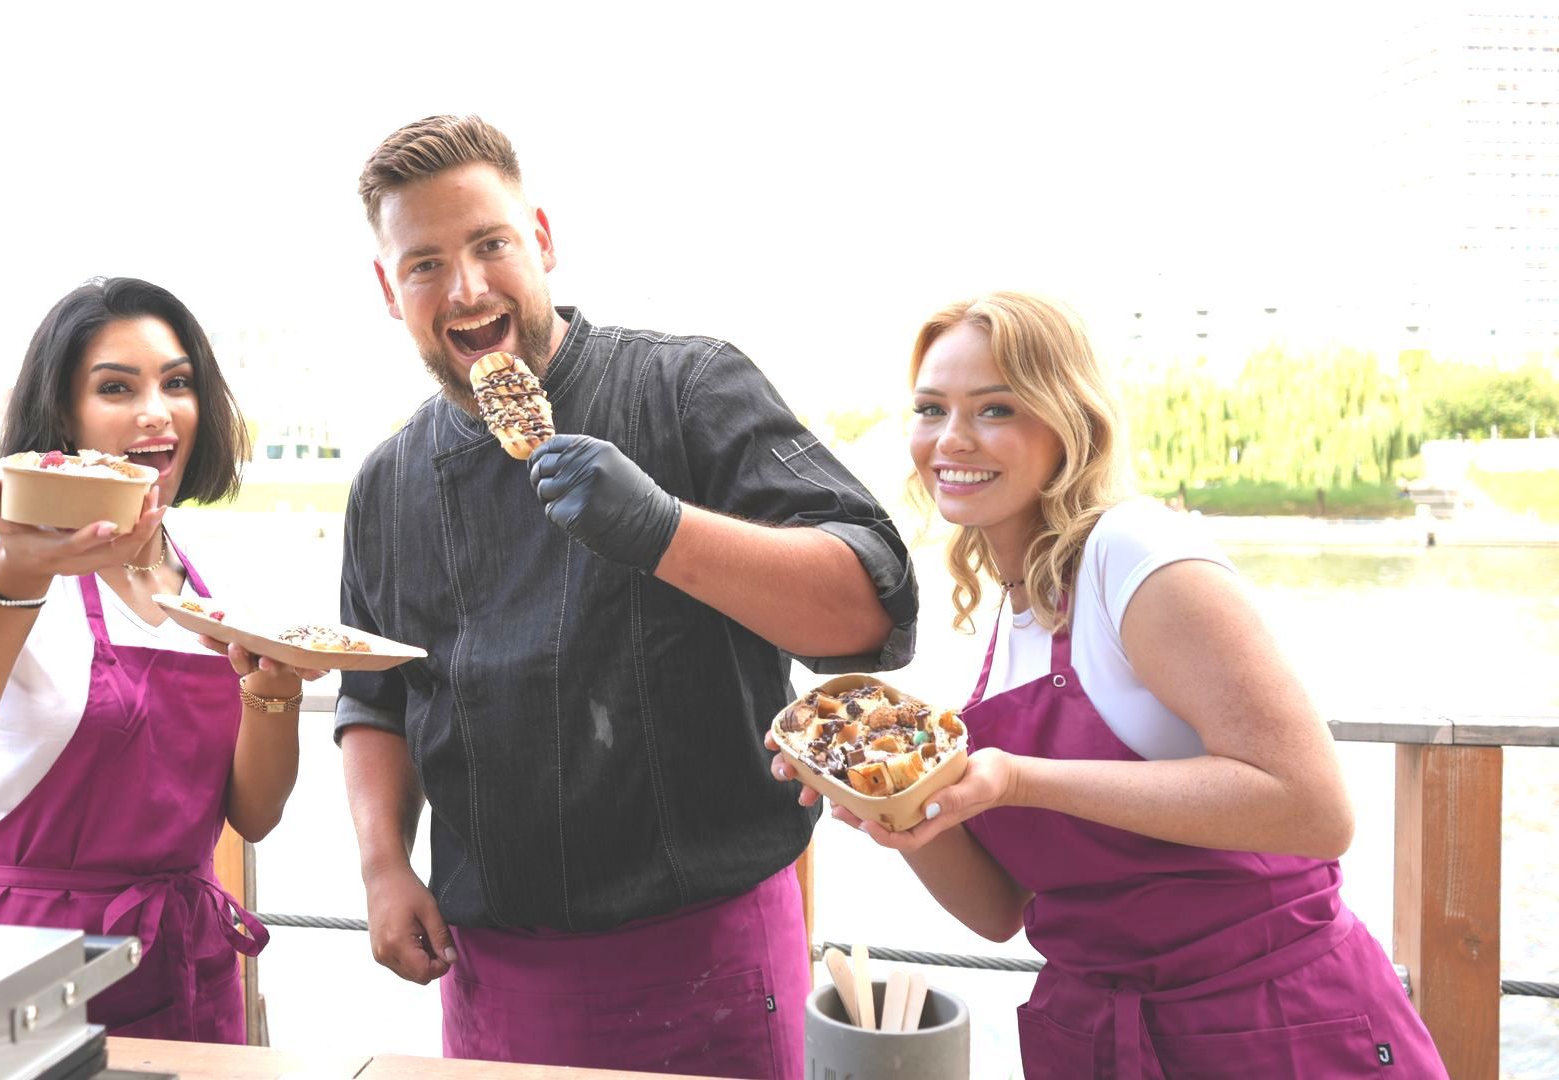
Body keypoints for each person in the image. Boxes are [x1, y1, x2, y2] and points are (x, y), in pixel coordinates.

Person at [334, 115, 918, 1079]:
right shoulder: (387, 483)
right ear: (389, 290)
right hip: (493, 972)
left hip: (711, 955)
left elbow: (871, 608)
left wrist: (664, 531)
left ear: (544, 240)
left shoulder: (688, 388)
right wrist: (383, 865)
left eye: (491, 243)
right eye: (427, 262)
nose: (469, 287)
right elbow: (376, 695)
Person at [771, 292, 1444, 1077]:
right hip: (1098, 1036)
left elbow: (1315, 808)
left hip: (1273, 1026)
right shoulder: (1013, 605)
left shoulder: (1136, 553)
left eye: (995, 409)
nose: (950, 439)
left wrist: (1019, 780)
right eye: (931, 408)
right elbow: (997, 911)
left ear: (1069, 422)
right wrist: (887, 810)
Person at [0, 276, 309, 1044]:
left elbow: (252, 814)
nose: (157, 410)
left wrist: (273, 692)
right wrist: (18, 572)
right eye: (116, 387)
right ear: (64, 414)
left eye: (177, 383)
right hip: (21, 973)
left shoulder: (209, 585)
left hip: (188, 964)